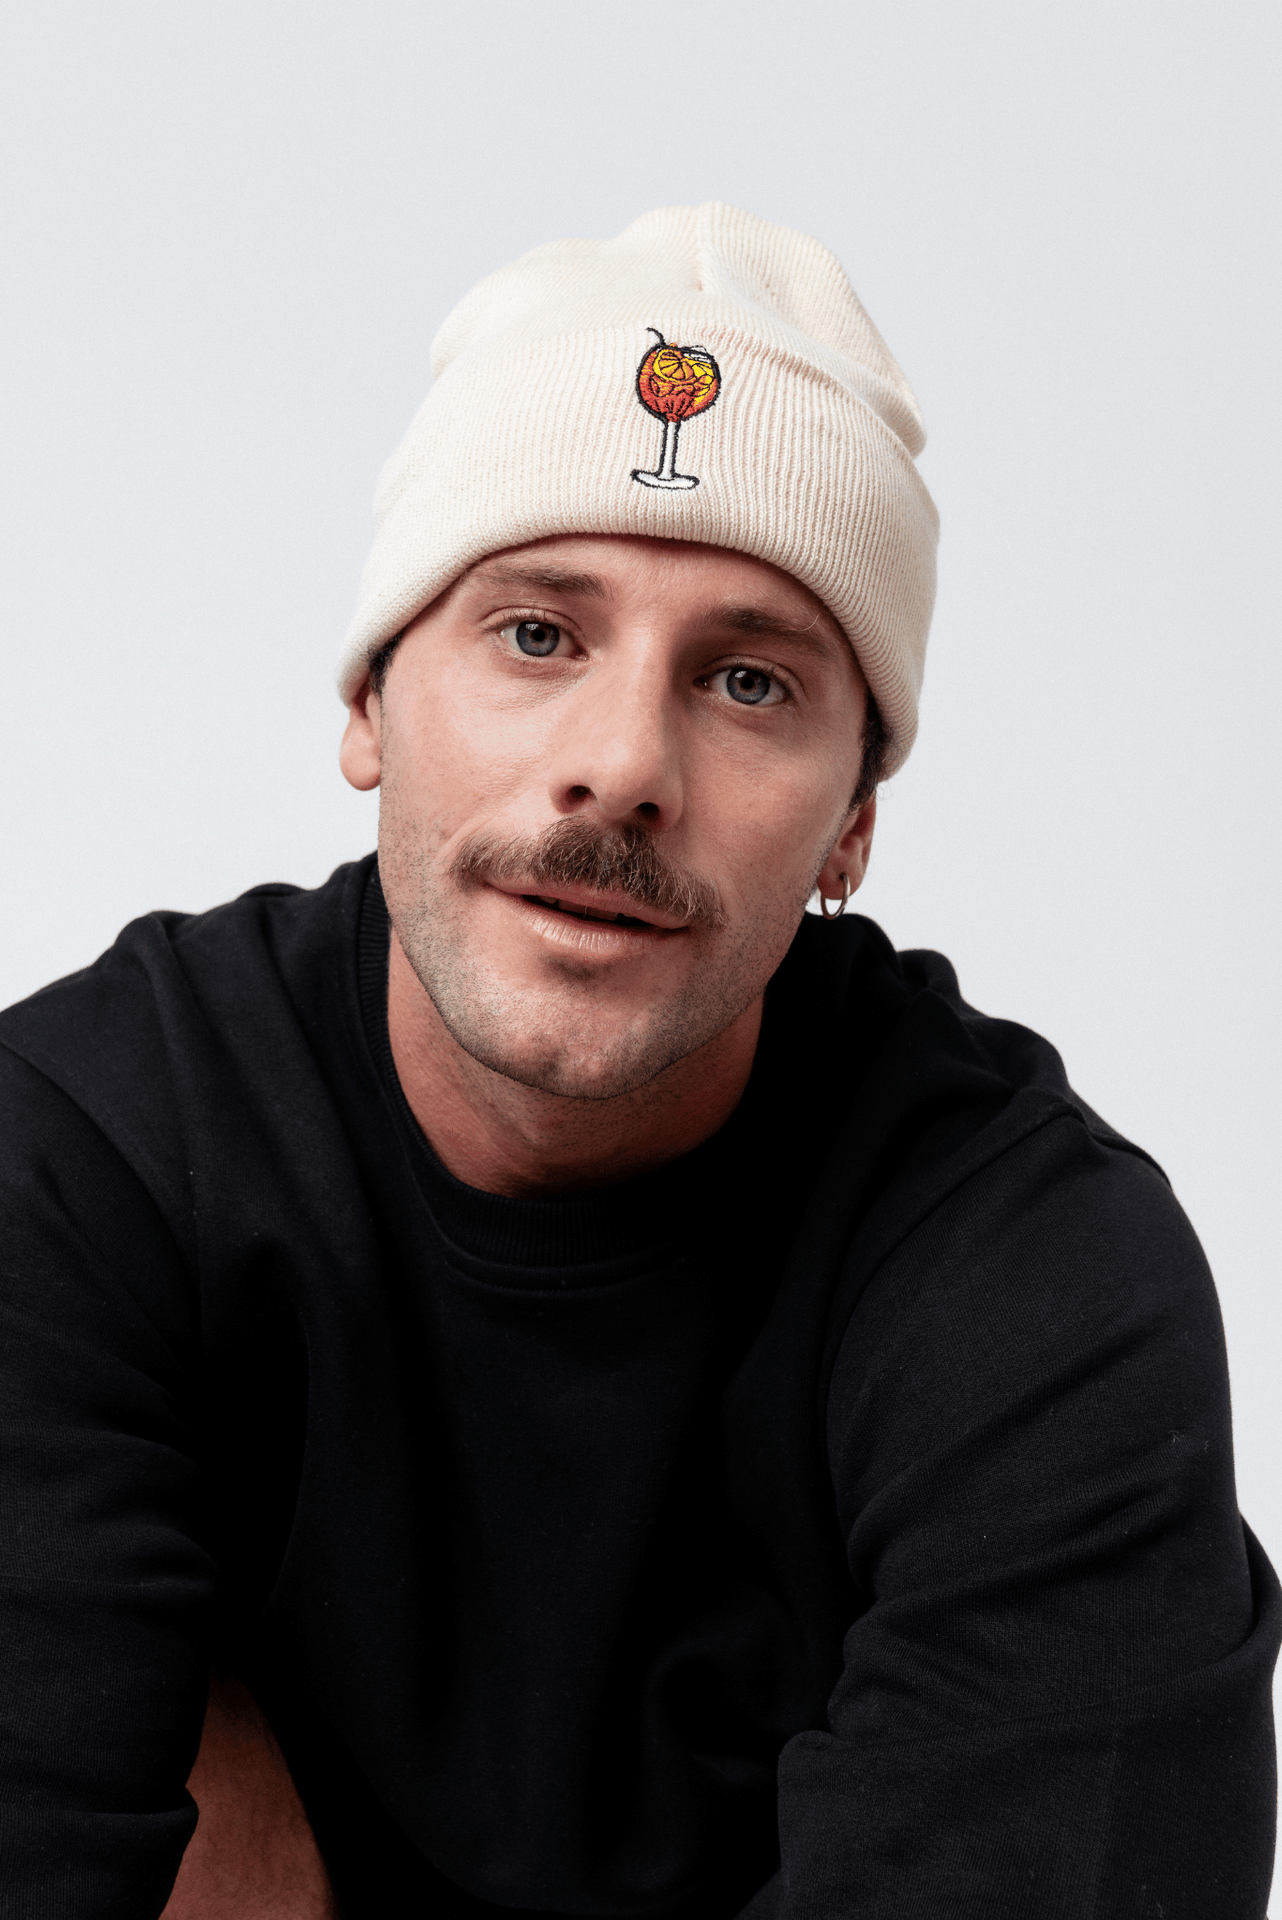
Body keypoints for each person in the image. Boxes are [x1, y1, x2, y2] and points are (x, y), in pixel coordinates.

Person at [0, 203, 1275, 1920]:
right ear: (369, 703)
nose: (620, 767)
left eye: (748, 683)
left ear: (851, 825)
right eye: (537, 635)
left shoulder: (1037, 1275)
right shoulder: (81, 1160)